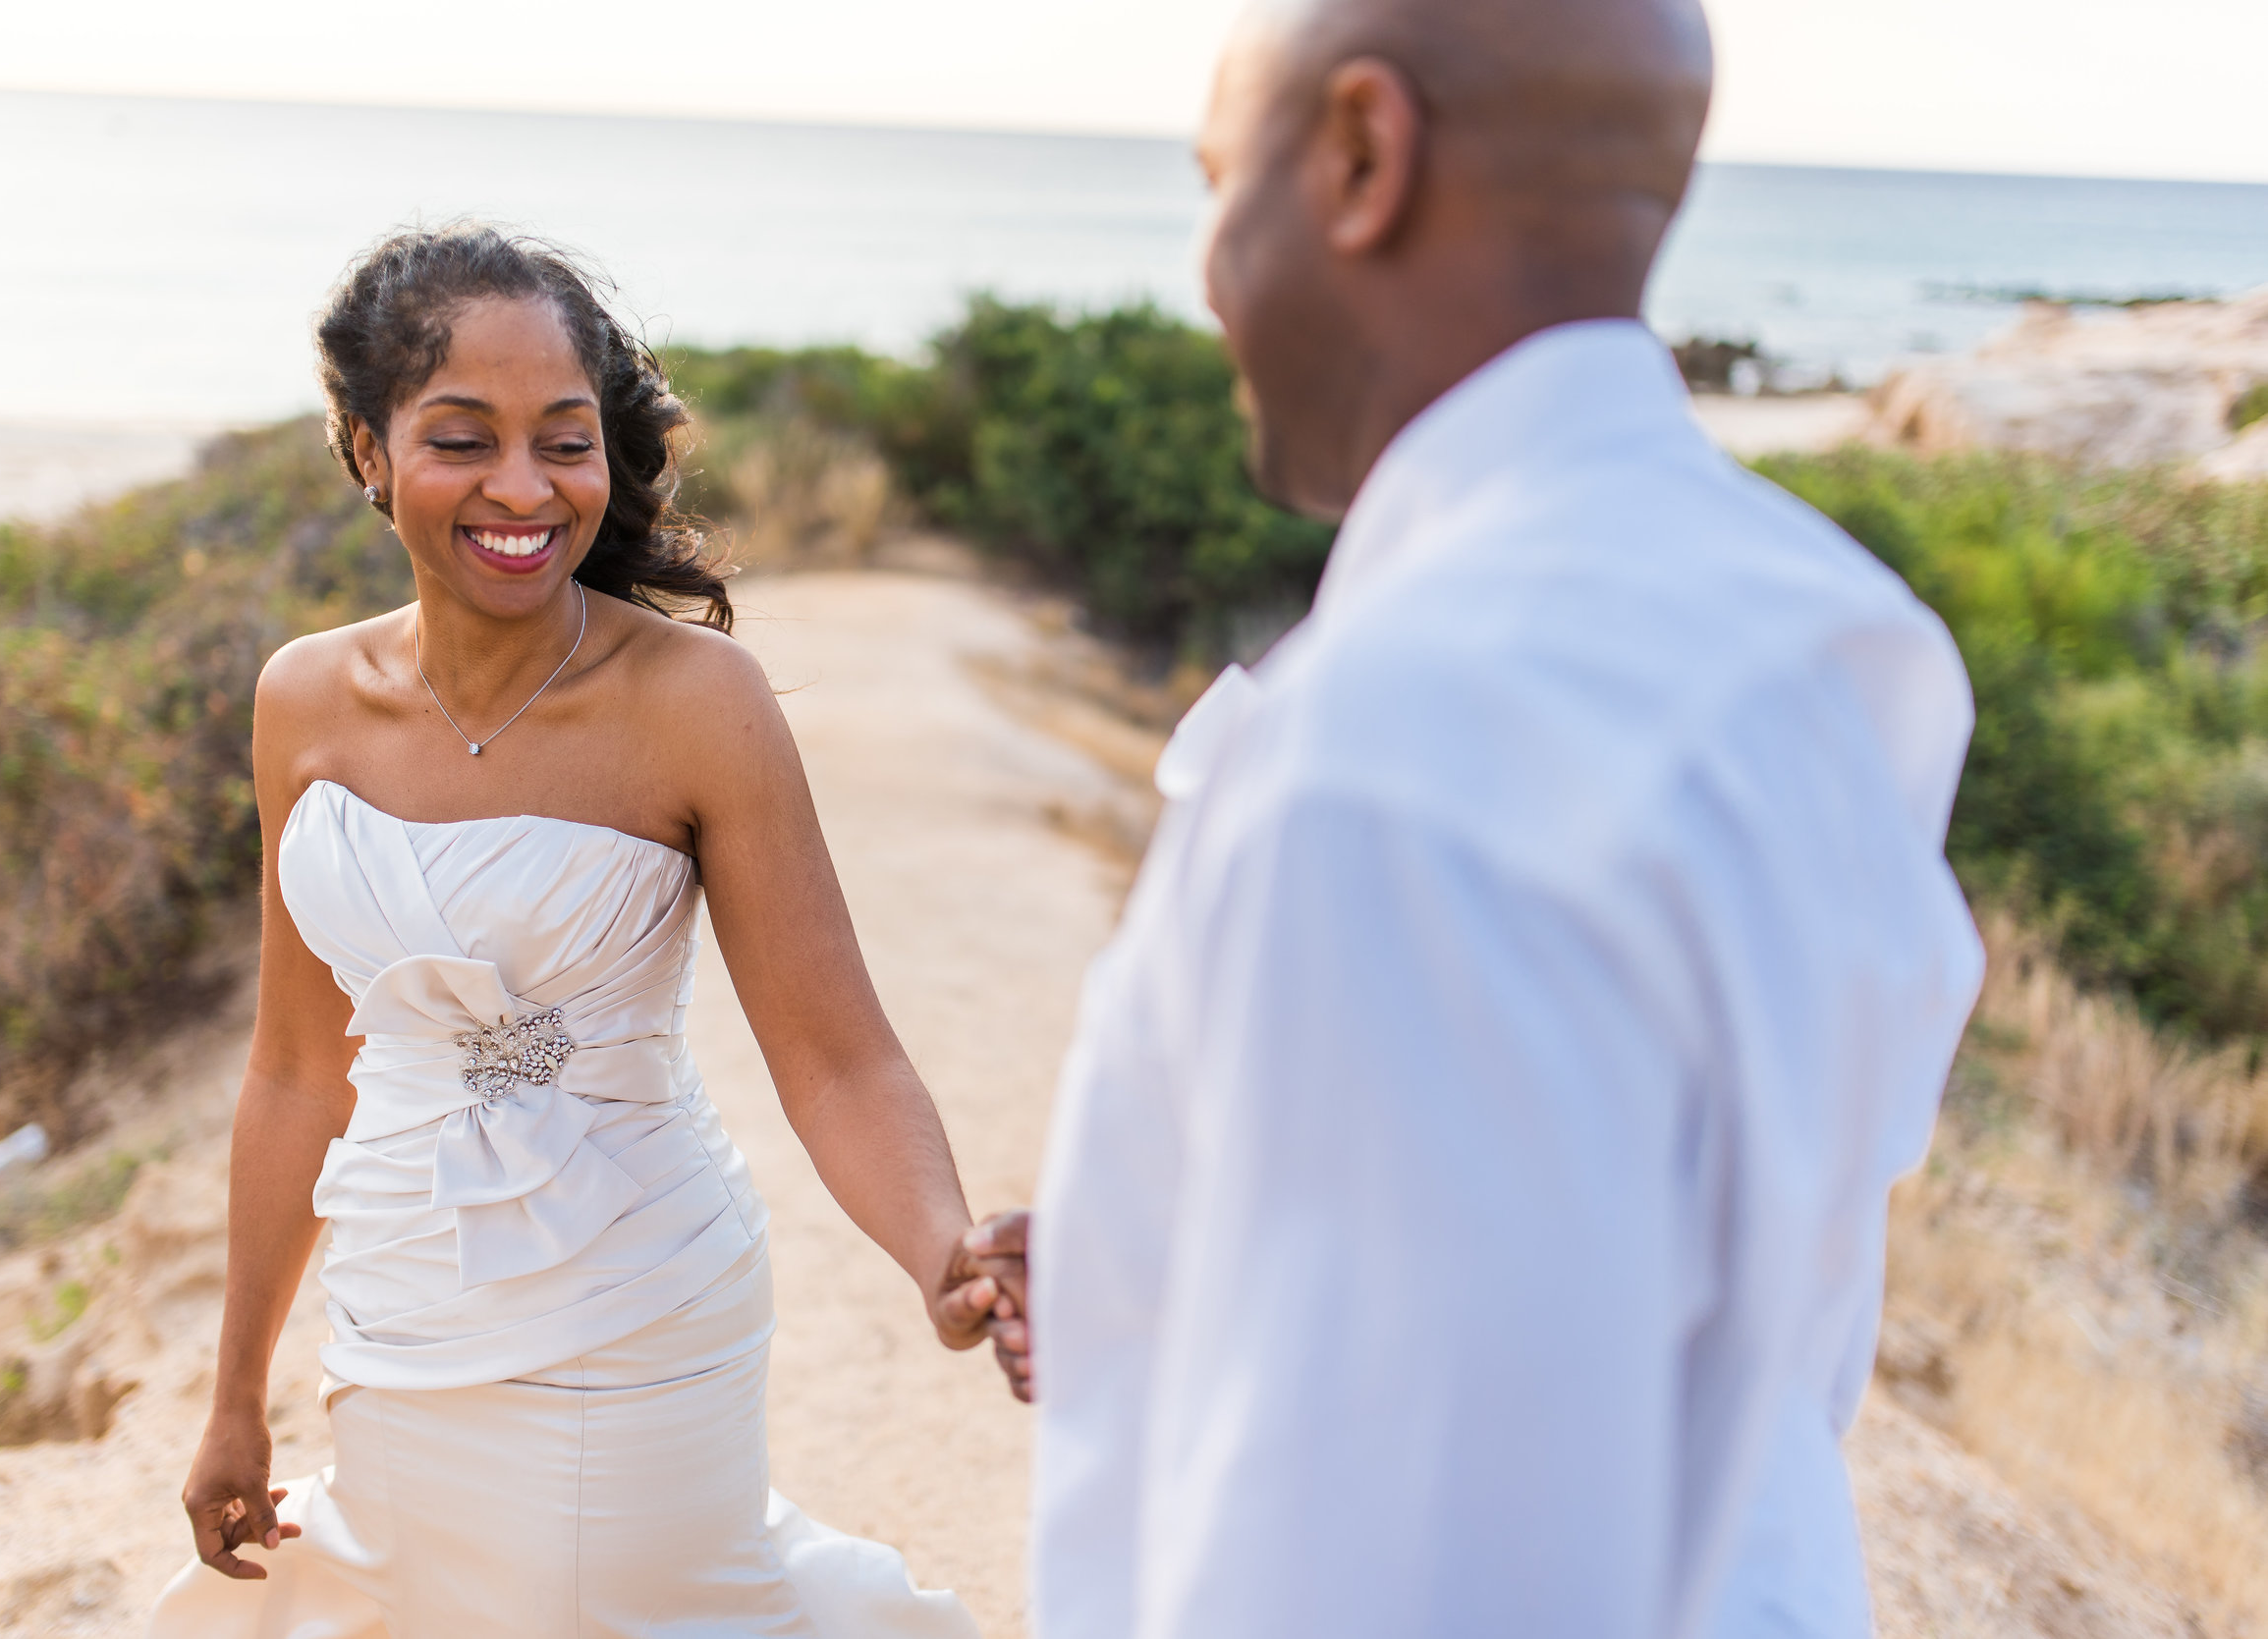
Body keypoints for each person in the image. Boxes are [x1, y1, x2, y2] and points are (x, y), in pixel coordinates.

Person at [974, 0, 1989, 1633]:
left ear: (1364, 154)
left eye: (1219, 180)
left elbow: (1391, 1570)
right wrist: (1142, 1244)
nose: (1208, 270)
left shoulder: (1395, 767)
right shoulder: (1824, 634)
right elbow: (1693, 1262)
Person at [150, 225, 1009, 1638]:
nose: (521, 488)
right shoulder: (301, 704)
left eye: (564, 440)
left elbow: (839, 1059)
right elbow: (296, 1073)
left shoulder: (699, 703)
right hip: (402, 1308)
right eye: (461, 438)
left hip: (640, 1295)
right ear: (365, 450)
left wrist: (940, 1248)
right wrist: (233, 1397)